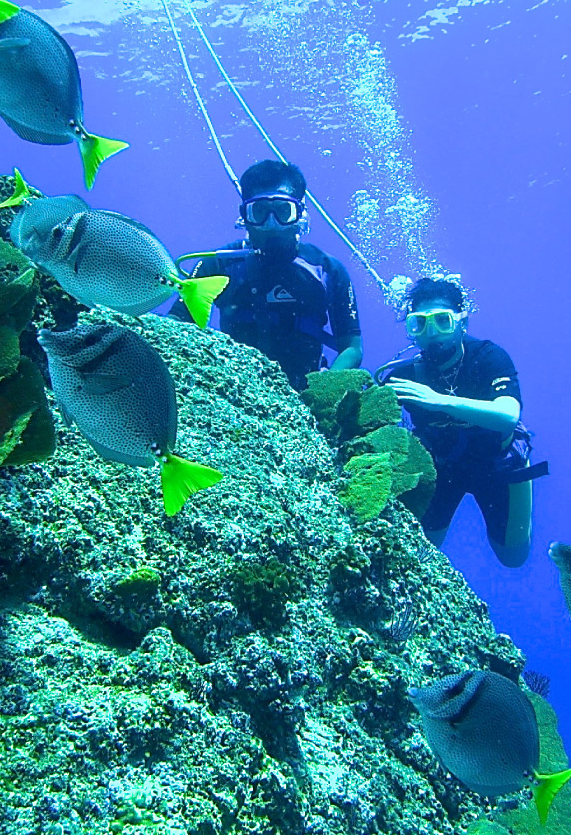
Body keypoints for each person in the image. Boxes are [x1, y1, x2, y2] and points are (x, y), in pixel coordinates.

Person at [379, 277, 544, 567]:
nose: (433, 333)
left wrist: (440, 400)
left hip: (498, 464)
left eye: (443, 321)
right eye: (419, 324)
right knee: (420, 552)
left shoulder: (489, 357)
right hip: (443, 468)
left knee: (513, 558)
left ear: (462, 321)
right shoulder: (402, 376)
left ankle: (521, 469)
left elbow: (508, 416)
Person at [175, 160, 362, 387]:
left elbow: (352, 347)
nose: (272, 224)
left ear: (300, 214)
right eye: (260, 212)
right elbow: (176, 322)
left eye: (284, 211)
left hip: (305, 396)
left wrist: (323, 391)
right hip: (233, 390)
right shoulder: (217, 264)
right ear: (244, 215)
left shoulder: (328, 270)